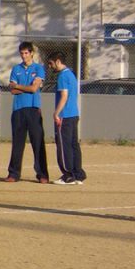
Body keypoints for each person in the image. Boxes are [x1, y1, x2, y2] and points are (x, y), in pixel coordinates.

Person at [4, 41, 50, 183]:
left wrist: (18, 86)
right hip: (18, 109)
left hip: (33, 109)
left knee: (37, 142)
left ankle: (42, 174)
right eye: (22, 53)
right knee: (17, 143)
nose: (24, 56)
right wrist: (25, 87)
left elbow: (34, 88)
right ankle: (13, 173)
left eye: (26, 53)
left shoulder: (38, 68)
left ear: (31, 53)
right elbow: (12, 90)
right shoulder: (16, 69)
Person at [47, 52, 86, 185]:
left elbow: (64, 96)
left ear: (58, 61)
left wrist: (56, 113)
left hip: (64, 115)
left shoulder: (63, 76)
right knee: (74, 145)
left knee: (64, 146)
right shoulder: (71, 74)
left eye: (51, 63)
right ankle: (78, 174)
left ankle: (68, 175)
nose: (50, 66)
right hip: (74, 114)